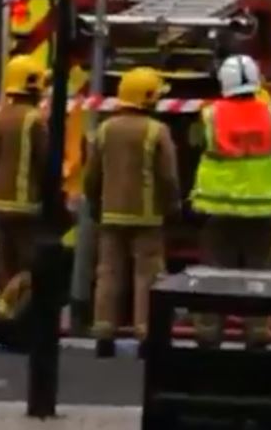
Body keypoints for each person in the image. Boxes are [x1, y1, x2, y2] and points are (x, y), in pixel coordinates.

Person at [190, 53, 271, 348]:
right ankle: (258, 331)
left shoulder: (210, 114)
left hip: (218, 209)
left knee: (213, 273)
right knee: (259, 272)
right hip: (262, 210)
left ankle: (209, 333)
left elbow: (195, 143)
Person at [84, 66, 181, 357]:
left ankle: (104, 332)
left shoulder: (104, 129)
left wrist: (94, 203)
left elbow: (91, 175)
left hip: (111, 213)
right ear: (148, 98)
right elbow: (168, 175)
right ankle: (145, 333)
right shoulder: (156, 130)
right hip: (147, 216)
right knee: (147, 276)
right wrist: (173, 205)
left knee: (108, 274)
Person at [0, 54, 48, 312]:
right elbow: (44, 161)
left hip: (0, 200)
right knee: (29, 264)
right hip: (27, 202)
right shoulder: (37, 119)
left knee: (5, 260)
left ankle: (4, 307)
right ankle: (20, 310)